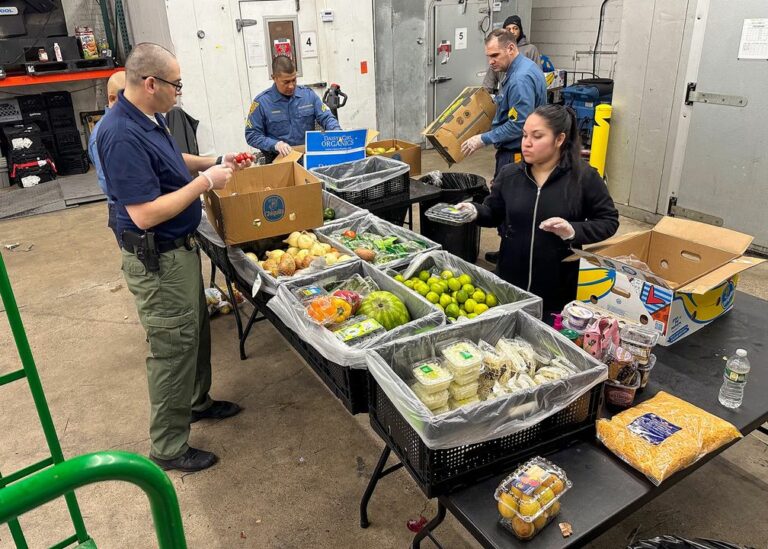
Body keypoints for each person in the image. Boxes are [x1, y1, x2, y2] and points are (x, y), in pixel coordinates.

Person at [97, 42, 252, 473]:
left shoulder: (148, 118)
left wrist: (213, 161)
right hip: (157, 261)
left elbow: (169, 162)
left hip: (178, 253)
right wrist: (206, 182)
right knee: (171, 348)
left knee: (194, 333)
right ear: (151, 84)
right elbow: (144, 214)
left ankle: (196, 401)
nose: (179, 93)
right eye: (176, 85)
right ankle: (167, 447)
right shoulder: (119, 134)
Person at [456, 105, 619, 317]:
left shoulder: (584, 178)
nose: (527, 143)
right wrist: (475, 211)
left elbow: (608, 220)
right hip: (510, 284)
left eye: (537, 136)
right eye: (524, 135)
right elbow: (494, 213)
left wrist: (573, 230)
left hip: (557, 290)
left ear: (559, 139)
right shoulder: (510, 175)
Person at [462, 28, 547, 263]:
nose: (491, 62)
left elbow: (521, 124)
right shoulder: (521, 69)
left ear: (511, 48)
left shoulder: (520, 79)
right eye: (488, 56)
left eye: (495, 56)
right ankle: (508, 250)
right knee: (512, 200)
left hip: (517, 153)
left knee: (510, 203)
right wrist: (498, 100)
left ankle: (511, 257)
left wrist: (484, 138)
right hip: (514, 151)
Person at [245, 55, 341, 163]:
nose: (291, 86)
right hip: (279, 162)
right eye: (286, 82)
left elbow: (326, 117)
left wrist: (336, 132)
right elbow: (252, 135)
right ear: (274, 78)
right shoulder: (262, 103)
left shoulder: (308, 96)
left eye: (294, 80)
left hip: (308, 159)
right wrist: (275, 144)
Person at [88, 70, 126, 244]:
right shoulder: (104, 134)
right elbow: (108, 183)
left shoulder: (126, 124)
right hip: (124, 210)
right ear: (112, 98)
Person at [482, 15, 542, 94]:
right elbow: (488, 83)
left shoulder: (530, 49)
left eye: (515, 28)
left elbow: (538, 77)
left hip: (524, 92)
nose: (512, 32)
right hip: (504, 96)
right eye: (508, 29)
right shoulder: (499, 53)